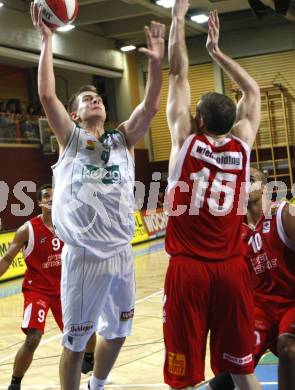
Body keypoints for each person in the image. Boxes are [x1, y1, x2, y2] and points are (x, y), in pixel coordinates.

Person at [30, 2, 165, 390]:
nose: (95, 100)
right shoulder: (72, 141)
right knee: (74, 344)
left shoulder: (120, 138)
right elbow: (46, 95)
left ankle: (98, 385)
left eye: (98, 98)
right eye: (86, 100)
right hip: (85, 256)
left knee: (120, 332)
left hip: (121, 251)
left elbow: (151, 106)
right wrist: (46, 41)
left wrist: (156, 64)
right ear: (74, 116)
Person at [163, 1, 261, 389]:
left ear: (198, 120)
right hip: (232, 270)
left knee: (184, 375)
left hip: (189, 271)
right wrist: (217, 52)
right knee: (242, 369)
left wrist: (177, 18)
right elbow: (252, 90)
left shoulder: (184, 141)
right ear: (231, 120)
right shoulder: (242, 145)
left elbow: (177, 73)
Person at [207, 168, 295, 390]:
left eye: (250, 179)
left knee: (288, 347)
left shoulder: (284, 214)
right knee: (234, 363)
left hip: (291, 302)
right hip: (260, 310)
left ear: (265, 187)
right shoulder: (234, 234)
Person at [0, 184, 63, 390]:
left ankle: (92, 363)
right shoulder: (27, 229)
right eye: (46, 196)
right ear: (39, 203)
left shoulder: (69, 225)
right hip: (38, 291)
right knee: (34, 336)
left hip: (65, 289)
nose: (51, 199)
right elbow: (8, 258)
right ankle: (15, 383)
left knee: (82, 332)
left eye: (55, 196)